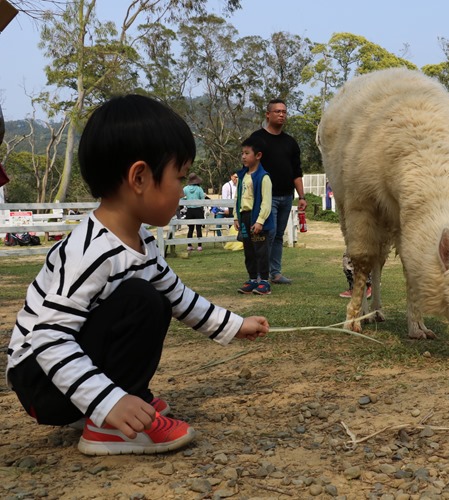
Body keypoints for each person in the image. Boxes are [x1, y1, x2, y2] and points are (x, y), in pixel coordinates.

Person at [4, 94, 269, 456]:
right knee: (140, 299)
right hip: (40, 380)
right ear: (140, 177)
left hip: (65, 374)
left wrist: (233, 325)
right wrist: (109, 402)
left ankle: (120, 403)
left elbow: (177, 295)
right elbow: (49, 339)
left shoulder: (140, 241)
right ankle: (107, 423)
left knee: (155, 297)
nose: (182, 190)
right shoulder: (93, 251)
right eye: (179, 177)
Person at [248, 99, 307, 285]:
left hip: (286, 196)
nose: (281, 115)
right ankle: (260, 274)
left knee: (279, 235)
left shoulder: (290, 142)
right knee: (268, 234)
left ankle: (276, 273)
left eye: (284, 112)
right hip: (266, 197)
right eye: (277, 111)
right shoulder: (257, 139)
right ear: (268, 114)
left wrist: (302, 196)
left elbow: (296, 172)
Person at [235, 136, 275, 295]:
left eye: (247, 153)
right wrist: (236, 217)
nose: (243, 156)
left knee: (260, 251)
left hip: (257, 219)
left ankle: (264, 281)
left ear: (258, 156)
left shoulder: (264, 177)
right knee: (248, 250)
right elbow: (238, 198)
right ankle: (252, 279)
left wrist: (260, 221)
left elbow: (266, 202)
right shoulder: (242, 176)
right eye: (242, 153)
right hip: (244, 218)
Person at [182, 172, 205, 251]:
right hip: (198, 210)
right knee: (198, 228)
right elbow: (203, 199)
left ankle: (189, 245)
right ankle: (199, 246)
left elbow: (181, 198)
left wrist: (186, 200)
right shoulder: (199, 189)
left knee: (190, 228)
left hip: (190, 210)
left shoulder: (185, 189)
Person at [214, 172, 238, 237]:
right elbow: (224, 198)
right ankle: (219, 237)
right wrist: (226, 208)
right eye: (235, 177)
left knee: (232, 223)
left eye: (237, 177)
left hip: (233, 208)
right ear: (231, 177)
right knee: (218, 223)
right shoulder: (226, 186)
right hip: (223, 208)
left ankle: (231, 237)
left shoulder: (238, 186)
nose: (236, 178)